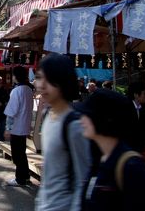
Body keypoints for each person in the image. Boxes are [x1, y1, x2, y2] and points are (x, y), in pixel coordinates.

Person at [78, 89, 145, 211]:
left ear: (104, 120)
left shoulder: (132, 168)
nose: (81, 119)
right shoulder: (99, 160)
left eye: (88, 114)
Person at [34, 54, 91, 211]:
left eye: (49, 80)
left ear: (63, 82)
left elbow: (82, 179)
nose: (42, 85)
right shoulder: (47, 115)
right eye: (39, 78)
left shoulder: (73, 124)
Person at [4, 67, 34, 187]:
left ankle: (20, 178)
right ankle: (25, 176)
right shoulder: (28, 89)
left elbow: (12, 111)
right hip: (24, 125)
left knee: (17, 154)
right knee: (21, 152)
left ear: (16, 76)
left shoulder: (17, 91)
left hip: (16, 127)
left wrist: (8, 128)